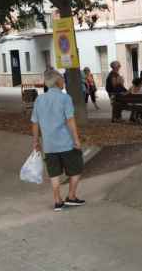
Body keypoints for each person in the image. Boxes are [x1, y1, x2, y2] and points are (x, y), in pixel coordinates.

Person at [31, 69, 85, 211]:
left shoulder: (39, 99)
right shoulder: (65, 98)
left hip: (49, 145)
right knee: (77, 168)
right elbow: (70, 120)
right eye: (62, 79)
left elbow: (35, 123)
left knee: (54, 173)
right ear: (57, 82)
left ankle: (57, 201)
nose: (64, 81)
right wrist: (76, 140)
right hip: (66, 143)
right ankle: (71, 196)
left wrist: (36, 142)